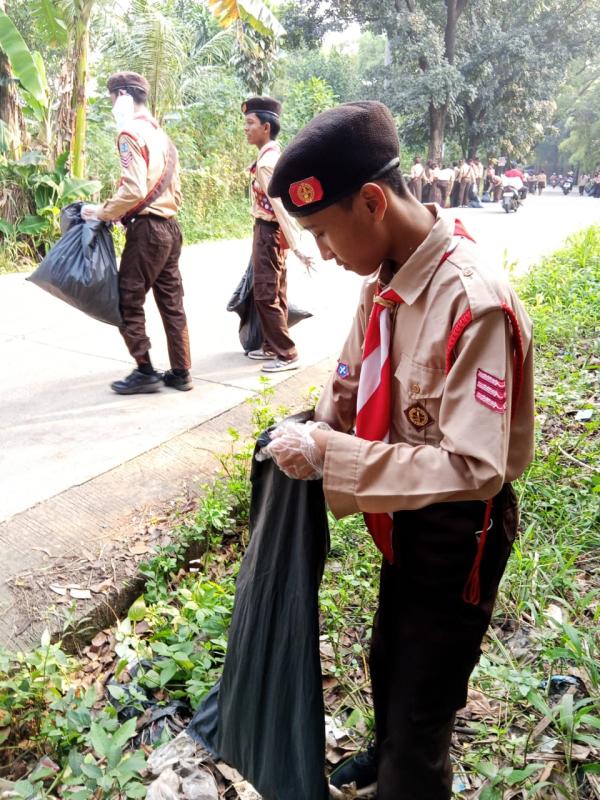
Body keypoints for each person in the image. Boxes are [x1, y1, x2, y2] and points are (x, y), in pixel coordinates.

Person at [263, 101, 535, 800]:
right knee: (389, 654)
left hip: (457, 530)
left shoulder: (471, 301)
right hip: (402, 515)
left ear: (373, 202)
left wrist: (332, 456)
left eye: (324, 232)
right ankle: (386, 755)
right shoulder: (383, 279)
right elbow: (351, 376)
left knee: (424, 700)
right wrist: (316, 427)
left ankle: (408, 773)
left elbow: (473, 469)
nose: (324, 252)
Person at [81, 72, 192, 394]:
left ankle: (144, 370)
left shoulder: (130, 132)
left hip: (148, 232)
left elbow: (133, 189)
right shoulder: (162, 136)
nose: (111, 104)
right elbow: (176, 191)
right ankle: (181, 371)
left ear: (122, 97)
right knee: (172, 302)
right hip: (171, 227)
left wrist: (101, 211)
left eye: (112, 98)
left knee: (127, 299)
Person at [242, 96, 314, 373]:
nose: (246, 128)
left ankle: (287, 353)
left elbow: (281, 206)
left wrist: (296, 246)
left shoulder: (266, 163)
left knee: (265, 293)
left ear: (266, 127)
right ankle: (272, 346)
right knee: (277, 290)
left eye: (250, 123)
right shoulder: (272, 155)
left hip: (269, 232)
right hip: (273, 233)